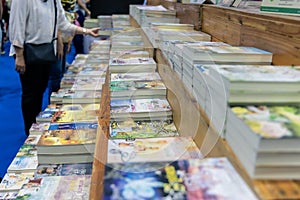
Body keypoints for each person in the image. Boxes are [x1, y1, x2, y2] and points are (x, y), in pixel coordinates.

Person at [9, 0, 100, 136]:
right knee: (30, 94)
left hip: (46, 52)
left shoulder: (53, 1)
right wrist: (19, 55)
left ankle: (35, 127)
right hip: (28, 52)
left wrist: (86, 31)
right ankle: (29, 130)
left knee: (40, 90)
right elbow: (17, 26)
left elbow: (62, 23)